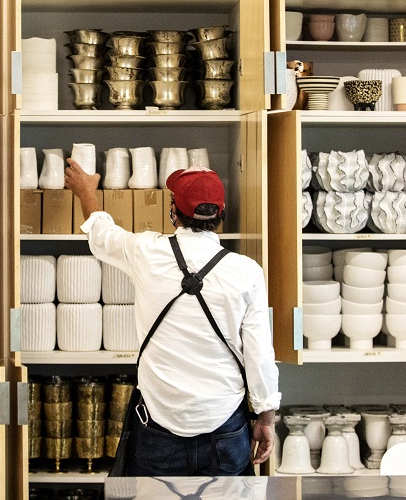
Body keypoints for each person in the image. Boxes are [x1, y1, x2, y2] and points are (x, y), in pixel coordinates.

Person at [64, 158, 281, 476]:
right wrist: (266, 417)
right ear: (220, 215)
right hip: (225, 427)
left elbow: (101, 234)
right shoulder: (247, 272)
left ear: (172, 212)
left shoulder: (145, 252)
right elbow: (260, 355)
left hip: (158, 429)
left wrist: (86, 191)